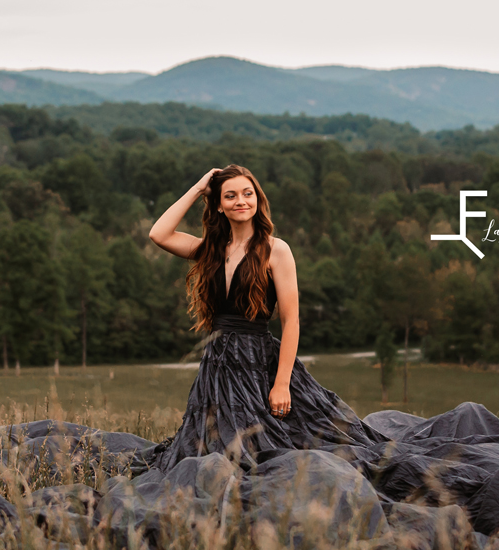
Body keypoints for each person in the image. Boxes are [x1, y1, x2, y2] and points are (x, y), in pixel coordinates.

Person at [148, 164, 390, 471]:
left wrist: (282, 384)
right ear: (219, 205)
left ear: (258, 200)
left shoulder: (276, 250)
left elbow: (291, 321)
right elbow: (159, 233)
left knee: (265, 448)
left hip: (258, 362)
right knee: (212, 447)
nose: (241, 201)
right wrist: (199, 188)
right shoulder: (211, 249)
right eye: (230, 196)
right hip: (216, 365)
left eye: (248, 194)